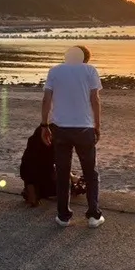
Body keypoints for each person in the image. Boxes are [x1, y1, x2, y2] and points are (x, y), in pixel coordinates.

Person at [41, 45, 104, 228]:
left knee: (62, 172)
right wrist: (97, 126)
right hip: (84, 128)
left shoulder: (54, 71)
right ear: (86, 59)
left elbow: (46, 99)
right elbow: (95, 100)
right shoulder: (90, 71)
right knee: (90, 172)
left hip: (60, 128)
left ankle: (63, 216)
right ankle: (93, 215)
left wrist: (44, 124)